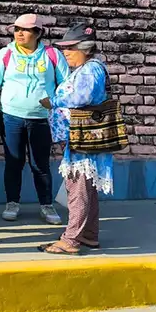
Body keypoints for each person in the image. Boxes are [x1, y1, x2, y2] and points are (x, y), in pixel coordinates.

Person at [0, 14, 70, 225]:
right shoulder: (5, 54)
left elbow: (67, 84)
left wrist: (53, 101)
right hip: (11, 118)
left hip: (41, 119)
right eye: (16, 29)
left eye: (25, 30)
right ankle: (12, 203)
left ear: (38, 33)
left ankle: (46, 204)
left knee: (40, 164)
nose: (19, 33)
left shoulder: (52, 55)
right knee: (13, 162)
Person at [38, 24, 113, 254]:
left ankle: (71, 239)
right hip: (80, 136)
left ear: (85, 48)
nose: (66, 53)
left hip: (84, 137)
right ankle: (89, 235)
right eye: (64, 48)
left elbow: (79, 98)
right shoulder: (86, 69)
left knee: (78, 188)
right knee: (84, 187)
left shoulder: (90, 70)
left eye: (71, 48)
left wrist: (53, 102)